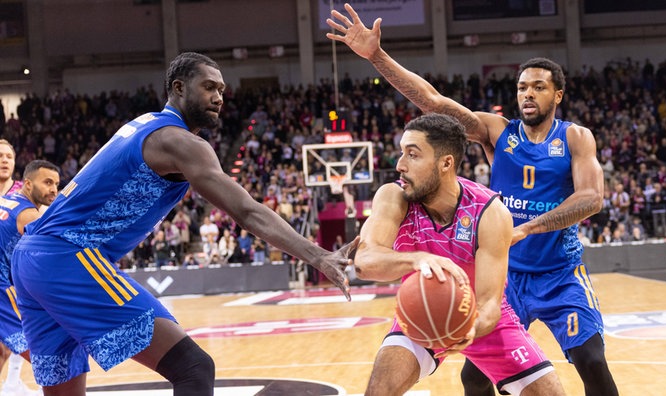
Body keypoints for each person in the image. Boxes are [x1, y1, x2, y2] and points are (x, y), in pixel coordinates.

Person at [11, 52, 356, 396]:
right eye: (208, 87)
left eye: (221, 89)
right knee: (193, 367)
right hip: (67, 255)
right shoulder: (179, 140)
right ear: (178, 87)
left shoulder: (145, 123)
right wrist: (318, 256)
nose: (219, 97)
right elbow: (246, 212)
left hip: (29, 261)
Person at [327, 5, 618, 395]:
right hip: (504, 273)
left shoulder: (574, 138)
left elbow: (592, 198)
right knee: (473, 377)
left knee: (592, 360)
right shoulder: (498, 132)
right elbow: (433, 104)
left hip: (557, 271)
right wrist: (377, 56)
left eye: (539, 87)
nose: (528, 94)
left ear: (558, 94)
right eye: (522, 87)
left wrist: (528, 227)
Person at [352, 113, 565, 395]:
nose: (400, 165)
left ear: (446, 163)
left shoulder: (489, 212)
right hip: (421, 313)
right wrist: (416, 258)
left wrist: (464, 329)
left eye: (412, 155)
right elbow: (364, 262)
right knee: (379, 390)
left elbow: (490, 305)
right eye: (402, 153)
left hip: (481, 321)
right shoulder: (394, 197)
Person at [0, 160, 59, 396]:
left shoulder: (8, 200)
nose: (54, 189)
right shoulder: (29, 214)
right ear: (26, 184)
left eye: (56, 183)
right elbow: (52, 257)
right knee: (47, 353)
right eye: (47, 182)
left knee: (2, 349)